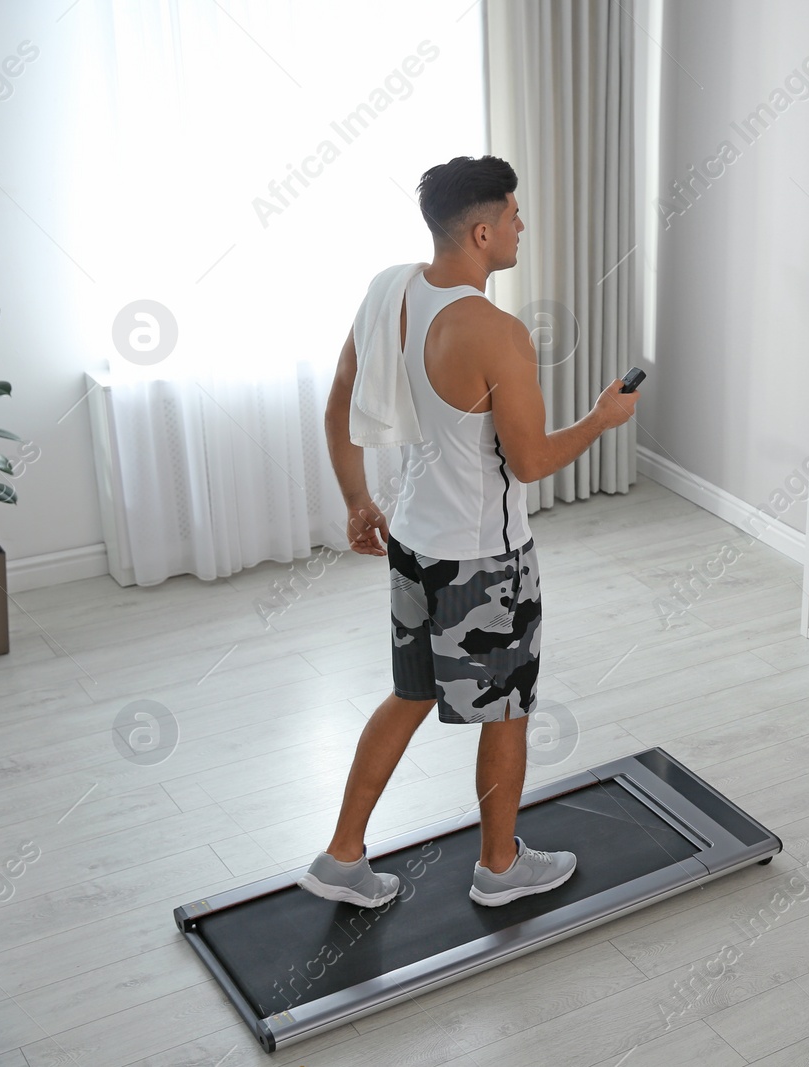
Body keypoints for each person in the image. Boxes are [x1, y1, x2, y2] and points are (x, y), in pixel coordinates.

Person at [296, 154, 639, 909]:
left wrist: (358, 501)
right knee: (509, 708)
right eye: (515, 215)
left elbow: (338, 406)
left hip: (414, 540)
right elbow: (534, 459)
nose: (523, 226)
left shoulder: (389, 291)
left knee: (409, 693)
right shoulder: (497, 333)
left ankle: (343, 857)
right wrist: (603, 417)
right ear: (483, 231)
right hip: (485, 557)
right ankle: (498, 867)